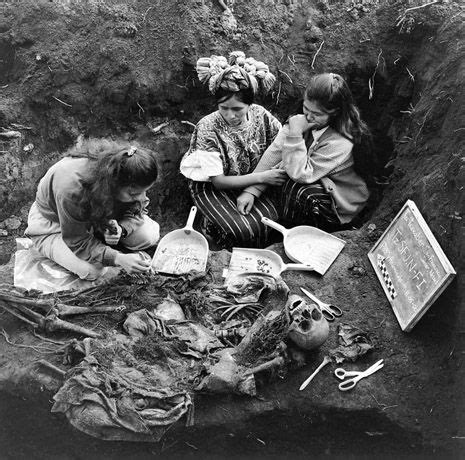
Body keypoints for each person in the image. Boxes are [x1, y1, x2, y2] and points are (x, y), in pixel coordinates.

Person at [180, 51, 287, 248]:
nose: (230, 115)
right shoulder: (208, 127)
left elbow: (281, 146)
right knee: (244, 228)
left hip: (252, 176)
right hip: (213, 185)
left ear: (250, 103)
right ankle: (211, 226)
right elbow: (219, 181)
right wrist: (262, 178)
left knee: (275, 217)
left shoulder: (261, 115)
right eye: (223, 108)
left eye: (237, 109)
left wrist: (252, 190)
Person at [239, 72, 371, 230]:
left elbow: (301, 174)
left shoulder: (340, 141)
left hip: (339, 202)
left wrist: (295, 133)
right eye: (306, 108)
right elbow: (274, 152)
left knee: (295, 186)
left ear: (334, 112)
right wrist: (252, 190)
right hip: (312, 180)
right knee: (280, 175)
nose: (308, 117)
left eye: (317, 114)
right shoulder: (301, 120)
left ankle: (305, 231)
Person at [25, 138, 160, 280]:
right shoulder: (72, 189)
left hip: (92, 217)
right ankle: (45, 241)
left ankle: (97, 237)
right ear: (114, 184)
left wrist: (121, 228)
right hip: (55, 223)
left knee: (149, 235)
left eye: (144, 191)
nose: (140, 197)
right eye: (134, 194)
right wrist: (118, 258)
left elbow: (137, 209)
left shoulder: (126, 168)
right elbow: (77, 240)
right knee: (94, 271)